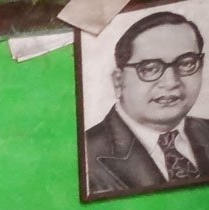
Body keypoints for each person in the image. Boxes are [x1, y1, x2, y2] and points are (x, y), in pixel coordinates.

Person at [84, 9, 209, 197]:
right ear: (118, 81)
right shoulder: (86, 154)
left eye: (186, 63)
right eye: (150, 68)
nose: (171, 82)